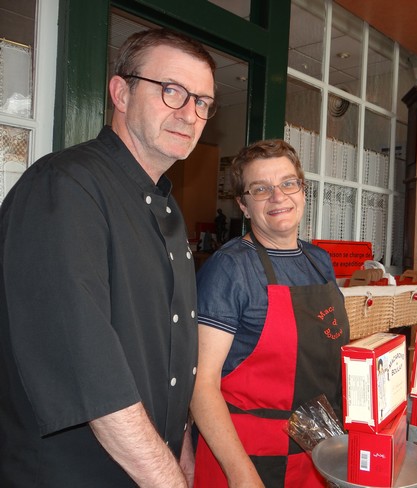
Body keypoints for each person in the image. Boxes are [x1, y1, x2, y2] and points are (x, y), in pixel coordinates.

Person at [0, 28, 216, 487]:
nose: (189, 114)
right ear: (121, 92)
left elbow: (168, 345)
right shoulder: (64, 186)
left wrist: (180, 446)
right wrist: (166, 478)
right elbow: (89, 368)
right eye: (172, 91)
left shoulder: (166, 205)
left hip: (144, 463)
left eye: (202, 102)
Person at [191, 139, 350, 487]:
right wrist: (241, 474)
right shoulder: (230, 268)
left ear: (303, 191)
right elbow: (201, 385)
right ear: (243, 206)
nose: (278, 197)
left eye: (288, 183)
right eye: (261, 189)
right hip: (251, 459)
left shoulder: (318, 261)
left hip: (320, 453)